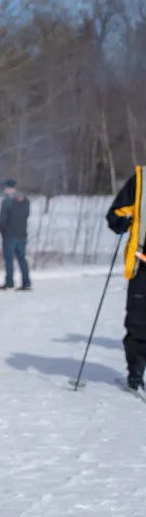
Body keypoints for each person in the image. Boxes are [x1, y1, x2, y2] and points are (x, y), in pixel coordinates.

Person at [107, 168, 146, 391]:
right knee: (139, 322)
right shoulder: (142, 180)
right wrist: (120, 222)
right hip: (143, 265)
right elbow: (116, 213)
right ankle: (136, 372)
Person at [0, 179, 32, 290]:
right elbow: (26, 216)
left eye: (5, 188)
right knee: (22, 258)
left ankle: (9, 282)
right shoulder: (25, 202)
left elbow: (2, 220)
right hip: (22, 234)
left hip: (9, 234)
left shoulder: (7, 202)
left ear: (9, 189)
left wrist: (2, 231)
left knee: (9, 260)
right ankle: (26, 282)